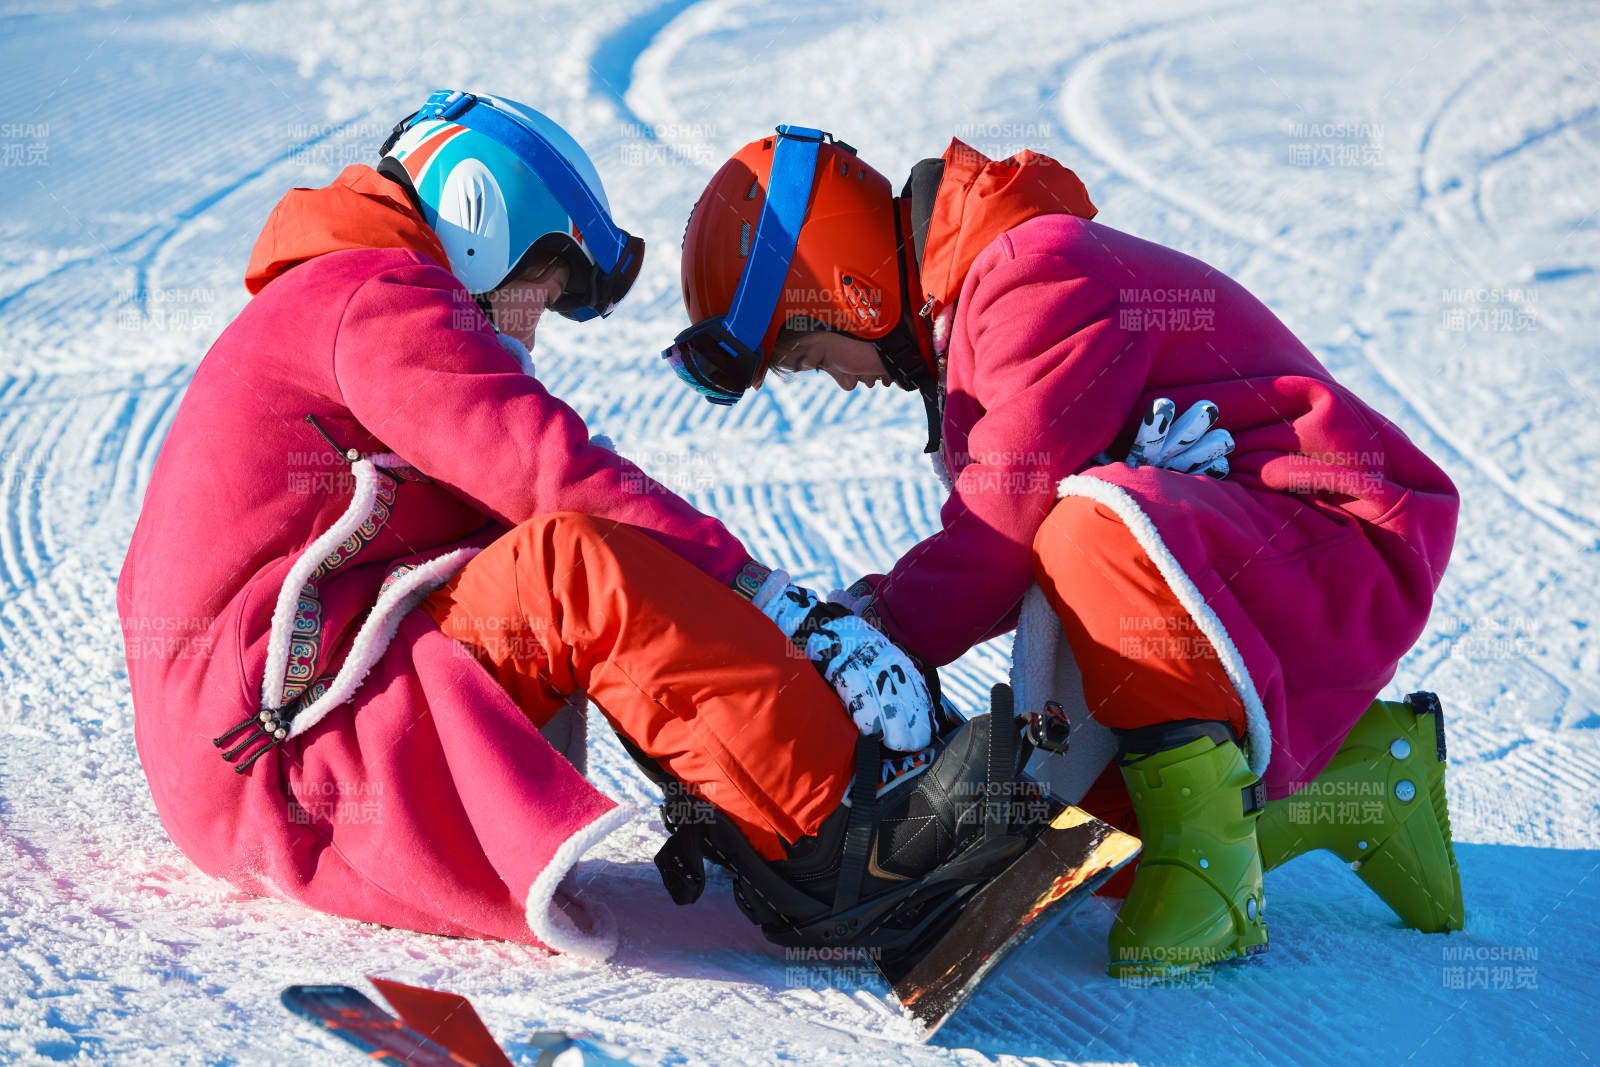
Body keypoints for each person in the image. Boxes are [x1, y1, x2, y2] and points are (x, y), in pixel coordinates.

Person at [116, 91, 1049, 960]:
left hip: (263, 759)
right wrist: (780, 604)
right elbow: (549, 472)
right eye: (546, 290)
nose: (530, 334)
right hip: (289, 763)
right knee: (574, 560)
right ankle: (845, 841)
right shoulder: (370, 295)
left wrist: (750, 652)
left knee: (568, 562)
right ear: (484, 224)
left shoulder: (329, 307)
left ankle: (799, 797)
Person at [668, 126, 1465, 977]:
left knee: (1087, 525)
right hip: (1258, 556)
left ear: (849, 290)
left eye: (804, 351)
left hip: (1341, 537)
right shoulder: (979, 310)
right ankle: (1369, 771)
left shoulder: (1031, 274)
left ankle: (1212, 866)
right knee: (1079, 827)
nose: (835, 377)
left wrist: (865, 638)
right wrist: (866, 618)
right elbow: (1003, 547)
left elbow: (998, 536)